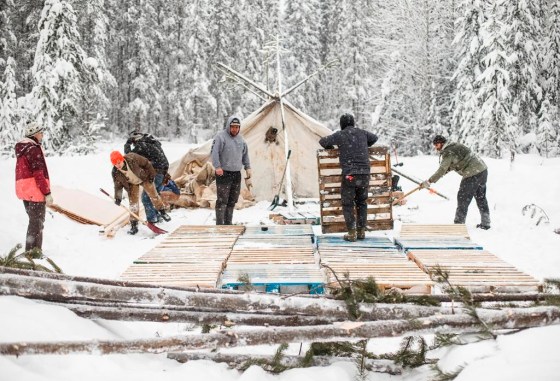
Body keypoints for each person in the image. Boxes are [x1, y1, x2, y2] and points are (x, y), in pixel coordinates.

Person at [319, 113, 378, 241]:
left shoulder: (340, 135)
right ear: (353, 123)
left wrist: (331, 147)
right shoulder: (362, 133)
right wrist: (362, 146)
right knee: (362, 203)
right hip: (364, 175)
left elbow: (323, 141)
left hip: (350, 176)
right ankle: (361, 231)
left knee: (348, 203)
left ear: (342, 124)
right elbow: (375, 138)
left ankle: (352, 233)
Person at [421, 135, 491, 229]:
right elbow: (449, 167)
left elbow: (442, 169)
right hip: (482, 170)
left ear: (441, 143)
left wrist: (429, 181)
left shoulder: (448, 151)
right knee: (480, 197)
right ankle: (486, 223)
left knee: (463, 198)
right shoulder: (453, 147)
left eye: (436, 145)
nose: (435, 147)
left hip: (472, 173)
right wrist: (431, 180)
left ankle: (458, 225)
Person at [15, 122, 54, 252]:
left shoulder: (23, 148)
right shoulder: (33, 149)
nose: (42, 134)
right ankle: (32, 252)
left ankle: (33, 251)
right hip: (34, 190)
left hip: (25, 190)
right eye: (40, 132)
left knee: (34, 221)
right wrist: (47, 192)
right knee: (37, 223)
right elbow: (38, 173)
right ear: (35, 134)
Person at [110, 150, 169, 235]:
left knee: (153, 195)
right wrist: (118, 198)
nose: (118, 165)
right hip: (131, 184)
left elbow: (146, 163)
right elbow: (118, 186)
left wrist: (152, 175)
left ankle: (162, 211)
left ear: (122, 159)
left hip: (144, 177)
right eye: (115, 164)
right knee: (133, 204)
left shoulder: (132, 158)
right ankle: (134, 225)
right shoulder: (115, 172)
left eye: (119, 162)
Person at [210, 115, 251, 225]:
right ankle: (220, 224)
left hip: (236, 174)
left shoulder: (241, 140)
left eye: (237, 127)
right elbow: (214, 153)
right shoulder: (220, 137)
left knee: (232, 200)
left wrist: (248, 167)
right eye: (233, 127)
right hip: (223, 173)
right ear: (228, 126)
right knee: (222, 200)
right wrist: (217, 167)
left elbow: (245, 155)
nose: (235, 129)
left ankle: (228, 223)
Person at [124, 131, 170, 223]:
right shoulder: (154, 143)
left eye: (133, 142)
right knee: (155, 195)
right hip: (163, 173)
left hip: (155, 173)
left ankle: (152, 220)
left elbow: (129, 156)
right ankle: (157, 216)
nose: (134, 144)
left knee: (146, 197)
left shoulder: (141, 145)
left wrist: (127, 144)